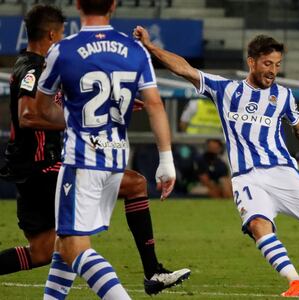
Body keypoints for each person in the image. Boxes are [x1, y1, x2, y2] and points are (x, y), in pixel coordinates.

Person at [134, 28, 299, 297]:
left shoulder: (284, 96)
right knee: (257, 225)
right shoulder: (226, 89)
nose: (273, 70)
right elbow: (185, 69)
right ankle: (295, 282)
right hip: (246, 177)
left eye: (277, 65)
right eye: (267, 64)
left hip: (282, 172)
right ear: (251, 61)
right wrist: (152, 48)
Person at [0, 4, 190, 297]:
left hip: (64, 162)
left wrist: (102, 107)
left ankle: (152, 269)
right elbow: (28, 116)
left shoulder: (57, 56)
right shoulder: (33, 67)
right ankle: (151, 270)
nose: (62, 37)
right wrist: (85, 117)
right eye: (60, 33)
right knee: (69, 246)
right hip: (42, 166)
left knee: (54, 248)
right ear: (51, 33)